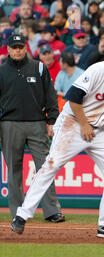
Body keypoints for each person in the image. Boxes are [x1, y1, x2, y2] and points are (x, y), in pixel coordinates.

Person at [11, 37, 104, 238]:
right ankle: (21, 215)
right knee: (51, 165)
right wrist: (83, 124)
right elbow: (73, 97)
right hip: (73, 122)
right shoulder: (100, 70)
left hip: (99, 130)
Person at [0, 34, 64, 225]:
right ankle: (18, 213)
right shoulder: (1, 71)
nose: (18, 50)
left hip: (37, 123)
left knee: (45, 168)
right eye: (14, 47)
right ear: (8, 49)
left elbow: (50, 95)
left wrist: (52, 120)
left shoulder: (39, 67)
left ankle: (52, 210)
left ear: (26, 48)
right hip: (9, 124)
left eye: (20, 46)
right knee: (13, 171)